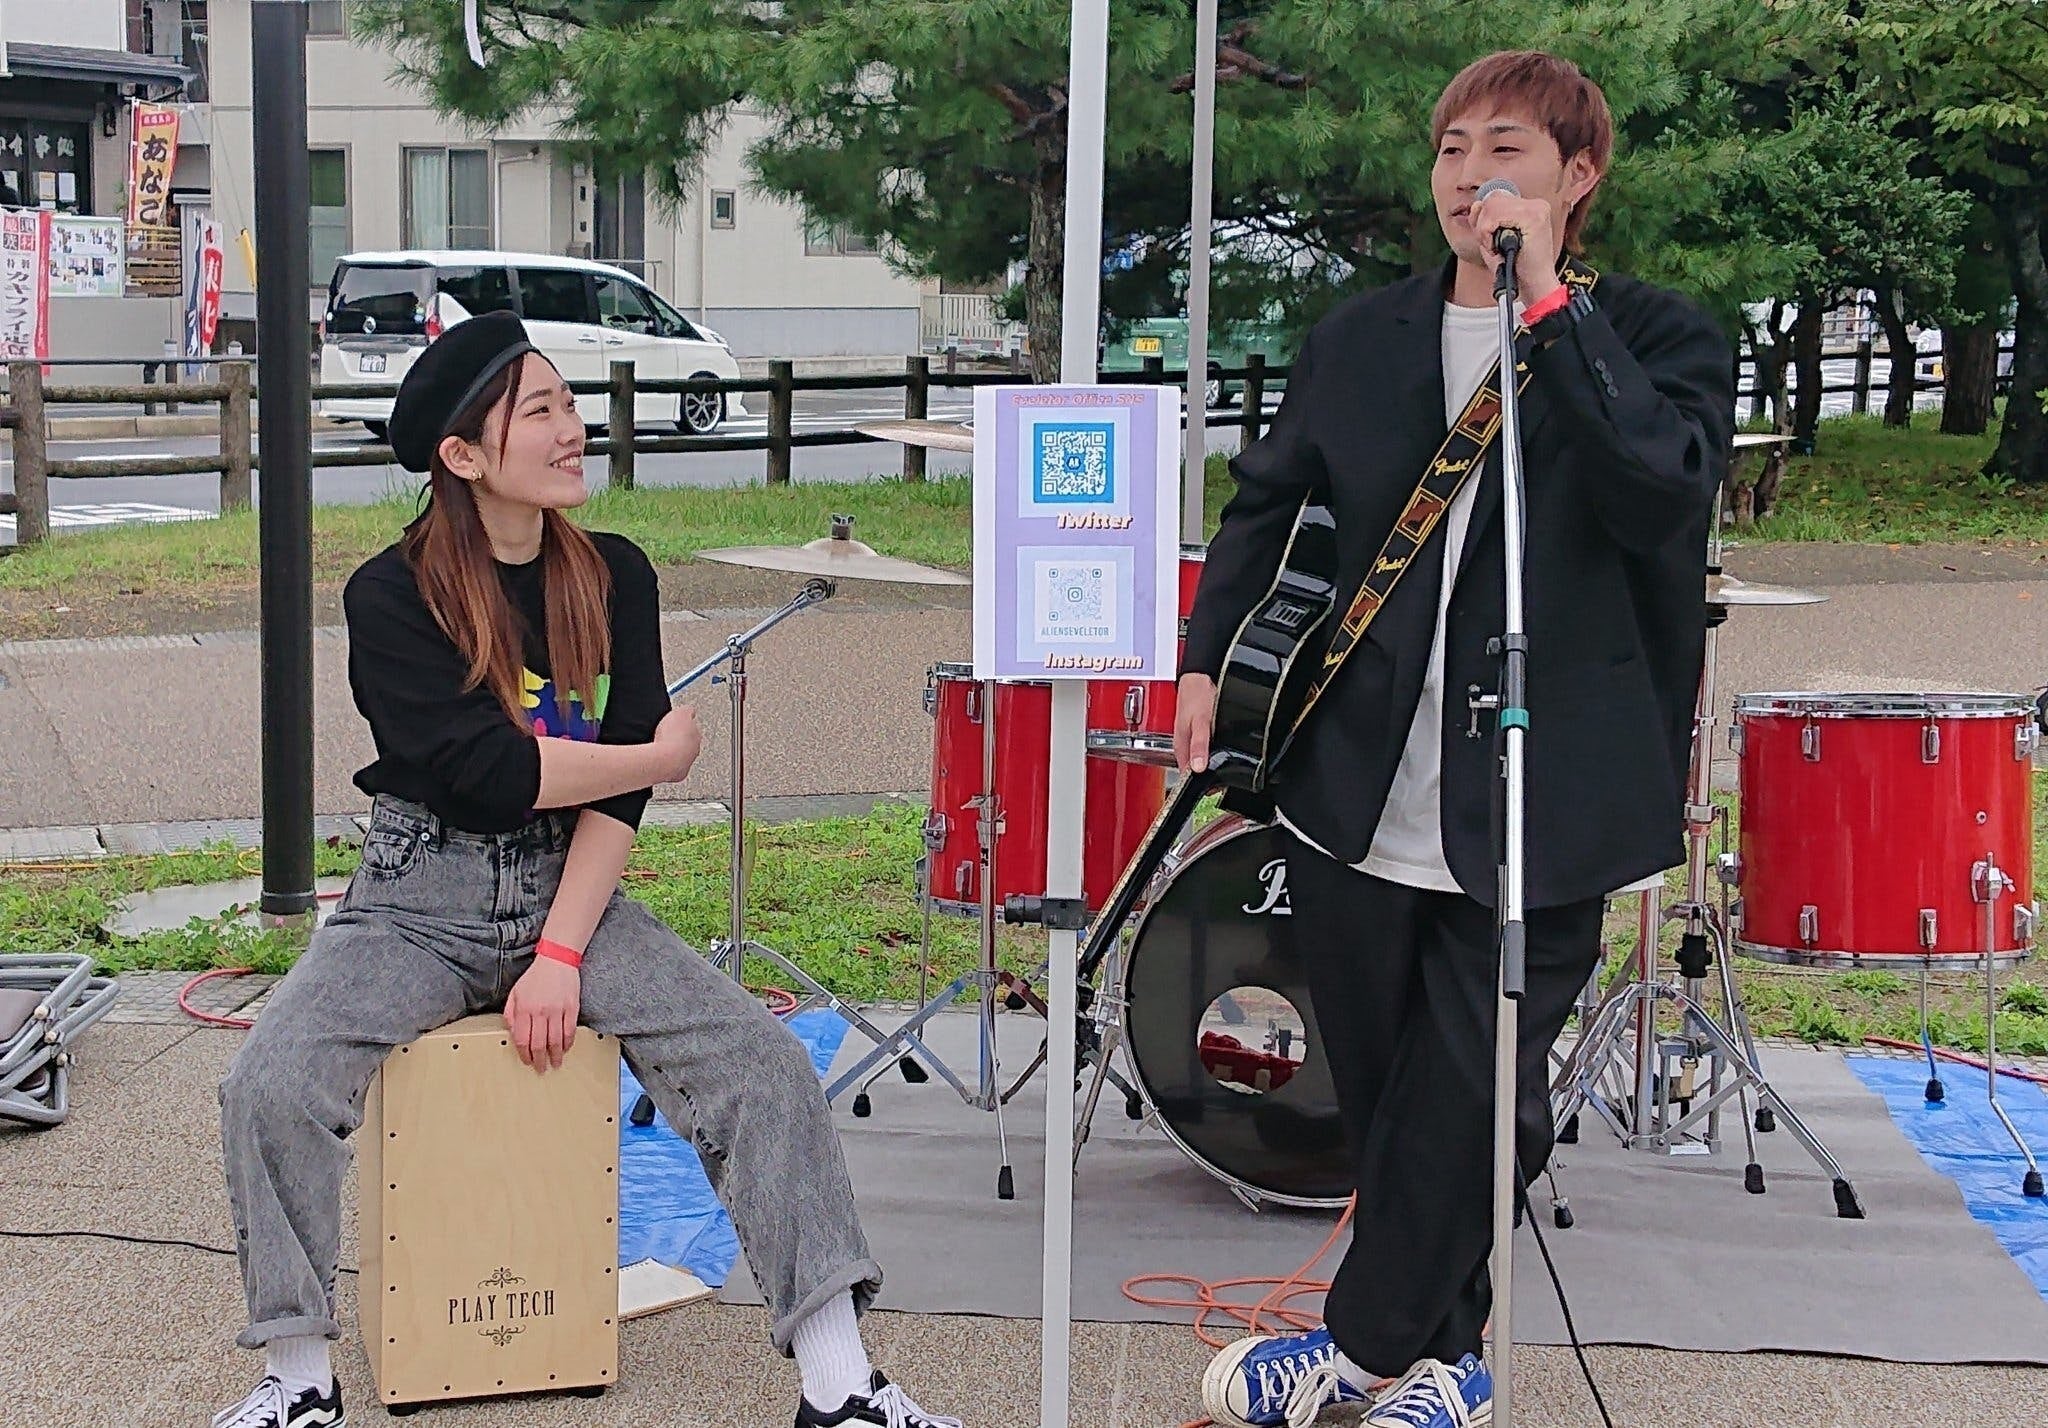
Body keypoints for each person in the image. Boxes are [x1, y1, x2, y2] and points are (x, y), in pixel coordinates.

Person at [211, 311, 963, 1428]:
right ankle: (298, 1380)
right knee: (270, 1084)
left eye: (568, 402)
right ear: (463, 456)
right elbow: (489, 772)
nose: (572, 429)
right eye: (541, 411)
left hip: (572, 885)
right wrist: (656, 753)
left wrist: (560, 952)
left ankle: (839, 1384)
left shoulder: (613, 576)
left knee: (760, 1065)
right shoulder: (390, 594)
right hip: (418, 899)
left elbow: (608, 799)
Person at [1176, 51, 1733, 1428]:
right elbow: (1265, 504)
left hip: (1547, 788)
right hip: (1360, 776)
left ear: (1576, 176)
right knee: (1389, 1093)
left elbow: (1659, 493)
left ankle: (1357, 1350)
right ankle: (1449, 1361)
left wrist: (1548, 309)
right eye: (1451, 149)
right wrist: (1204, 659)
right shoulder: (1360, 338)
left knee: (1482, 1093)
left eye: (1506, 149)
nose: (1470, 174)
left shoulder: (1656, 337)